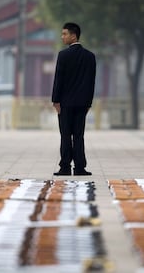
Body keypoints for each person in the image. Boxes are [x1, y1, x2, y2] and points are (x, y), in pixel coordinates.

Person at [51, 22, 96, 176]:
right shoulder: (90, 56)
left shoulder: (63, 55)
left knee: (65, 135)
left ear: (73, 35)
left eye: (64, 34)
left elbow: (59, 80)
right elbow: (91, 82)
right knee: (78, 135)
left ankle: (65, 167)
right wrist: (89, 103)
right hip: (82, 103)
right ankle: (79, 168)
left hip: (65, 103)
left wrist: (55, 101)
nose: (62, 37)